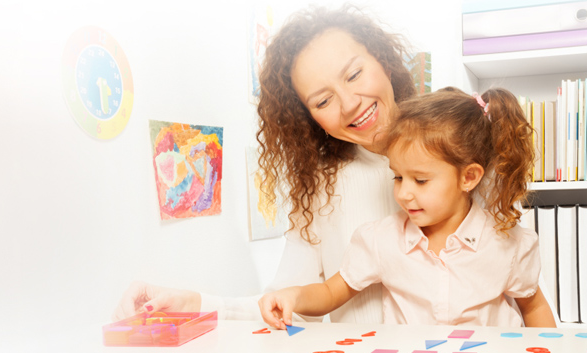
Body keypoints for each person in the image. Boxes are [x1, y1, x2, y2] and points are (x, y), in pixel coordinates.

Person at [112, 4, 416, 323]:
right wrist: (191, 304)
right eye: (323, 101)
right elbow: (283, 306)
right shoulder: (321, 185)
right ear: (310, 118)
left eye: (354, 74)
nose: (351, 103)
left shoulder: (461, 152)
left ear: (382, 60)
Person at [258, 88, 557, 328]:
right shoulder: (381, 240)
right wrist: (293, 296)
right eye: (398, 176)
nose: (404, 193)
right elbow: (332, 292)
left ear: (468, 177)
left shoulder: (509, 244)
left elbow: (534, 306)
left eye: (421, 180)